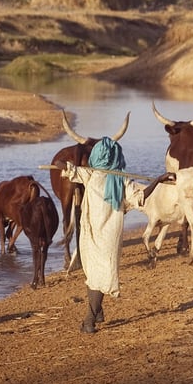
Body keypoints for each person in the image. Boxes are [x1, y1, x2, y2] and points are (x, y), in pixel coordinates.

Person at [62, 135, 129, 334]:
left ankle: (91, 318)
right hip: (109, 237)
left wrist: (63, 165)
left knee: (97, 275)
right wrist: (158, 180)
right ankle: (93, 316)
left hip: (90, 235)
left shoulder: (90, 175)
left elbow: (62, 166)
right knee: (99, 274)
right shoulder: (122, 182)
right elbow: (141, 197)